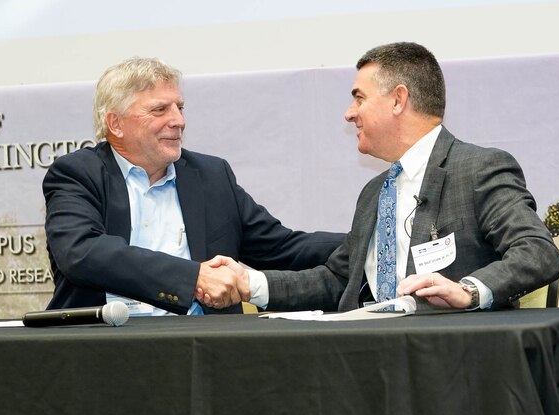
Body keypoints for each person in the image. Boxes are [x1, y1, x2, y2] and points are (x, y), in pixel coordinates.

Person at [203, 42, 559, 312]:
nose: (348, 113)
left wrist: (468, 290)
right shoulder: (376, 192)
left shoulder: (477, 168)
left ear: (397, 100)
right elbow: (338, 281)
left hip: (454, 363)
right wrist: (249, 282)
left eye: (359, 98)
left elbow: (537, 253)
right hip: (374, 361)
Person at [43, 57, 344, 315]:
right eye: (160, 110)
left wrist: (368, 238)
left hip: (202, 345)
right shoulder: (77, 173)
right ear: (116, 124)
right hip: (102, 345)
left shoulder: (210, 175)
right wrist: (193, 278)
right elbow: (82, 252)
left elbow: (283, 248)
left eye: (180, 108)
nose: (178, 121)